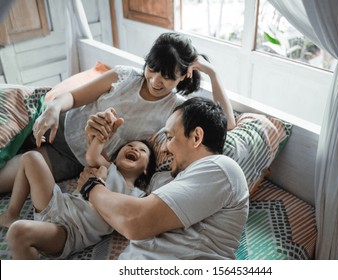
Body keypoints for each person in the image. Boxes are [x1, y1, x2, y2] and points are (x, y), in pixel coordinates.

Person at [0, 32, 235, 193]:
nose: (155, 80)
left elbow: (227, 125)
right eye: (152, 69)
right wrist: (53, 108)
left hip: (74, 160)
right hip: (58, 126)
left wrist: (212, 73)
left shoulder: (176, 109)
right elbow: (73, 97)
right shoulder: (123, 76)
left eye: (167, 75)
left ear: (184, 75)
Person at [76, 97, 249, 260]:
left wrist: (91, 187)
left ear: (196, 137)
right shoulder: (170, 180)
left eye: (170, 137)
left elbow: (135, 221)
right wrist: (97, 139)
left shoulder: (221, 168)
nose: (164, 148)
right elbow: (117, 180)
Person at [2, 117, 156, 259]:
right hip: (57, 203)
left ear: (146, 170)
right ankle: (11, 213)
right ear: (116, 157)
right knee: (30, 157)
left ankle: (34, 239)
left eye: (142, 151)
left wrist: (99, 182)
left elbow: (126, 218)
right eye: (130, 146)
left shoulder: (138, 196)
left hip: (69, 230)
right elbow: (92, 155)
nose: (135, 149)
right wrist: (103, 134)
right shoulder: (109, 167)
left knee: (18, 232)